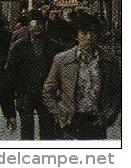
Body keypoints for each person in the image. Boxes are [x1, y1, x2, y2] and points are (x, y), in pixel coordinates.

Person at [42, 12, 121, 140]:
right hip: (70, 121)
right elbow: (47, 90)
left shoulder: (109, 61)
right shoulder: (62, 60)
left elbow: (117, 92)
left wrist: (108, 116)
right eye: (84, 33)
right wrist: (60, 113)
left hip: (97, 121)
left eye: (93, 33)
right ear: (77, 35)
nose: (89, 37)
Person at [4, 10, 64, 140]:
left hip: (47, 94)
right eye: (33, 23)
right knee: (26, 129)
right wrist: (12, 96)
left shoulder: (54, 46)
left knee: (48, 129)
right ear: (28, 26)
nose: (37, 27)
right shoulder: (19, 46)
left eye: (40, 23)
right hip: (25, 92)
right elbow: (10, 73)